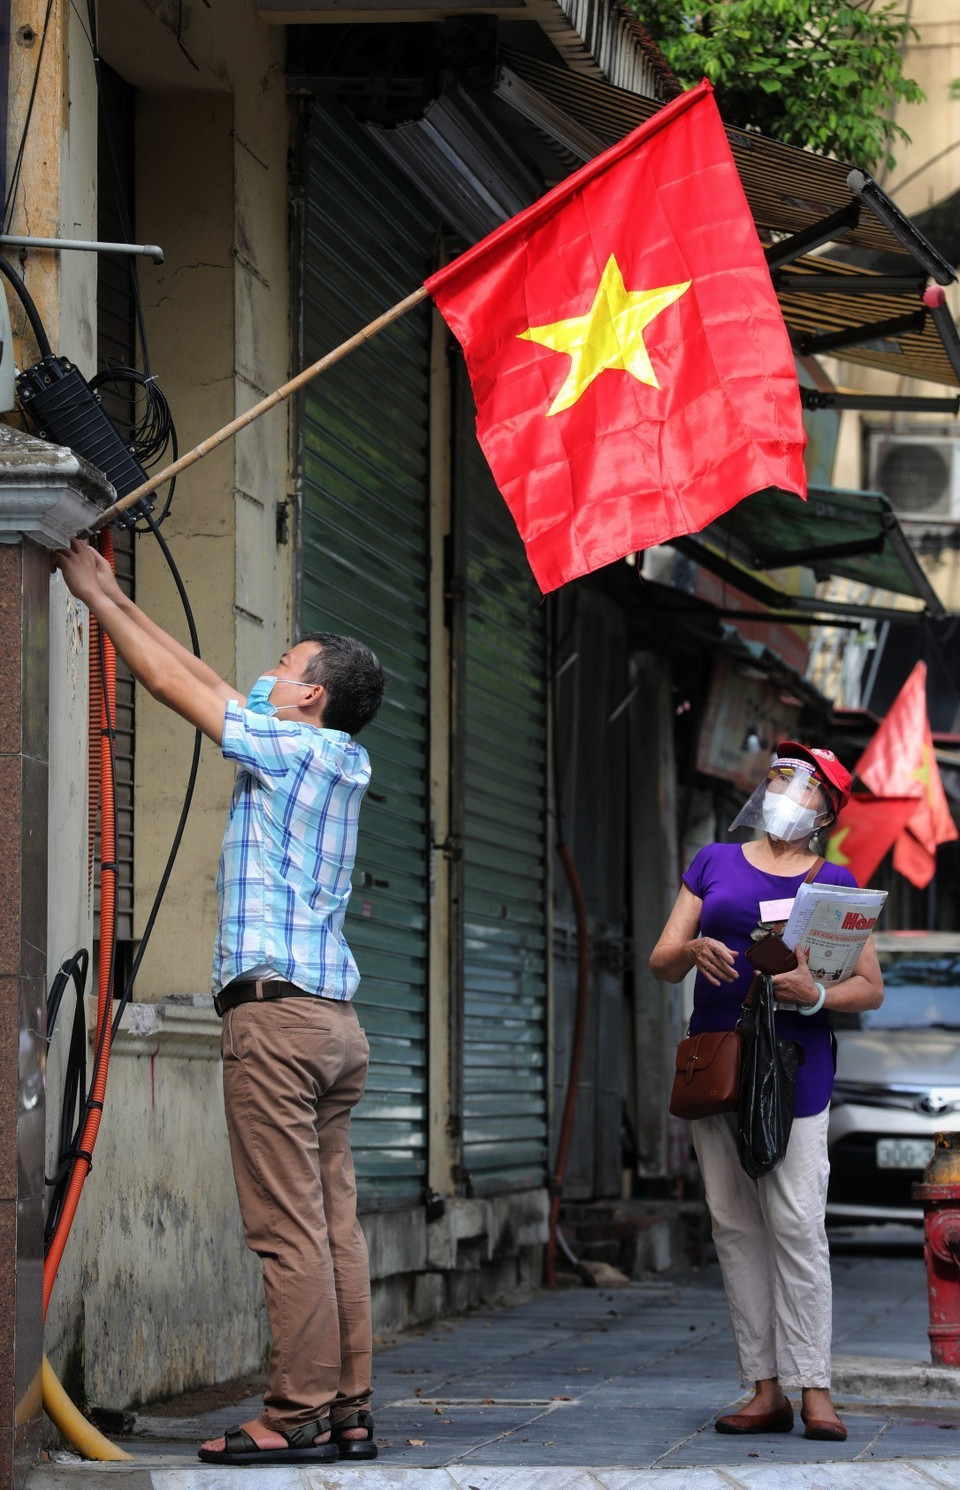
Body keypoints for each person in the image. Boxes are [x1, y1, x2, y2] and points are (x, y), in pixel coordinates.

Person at [54, 537, 385, 1467]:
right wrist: (118, 596)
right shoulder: (332, 758)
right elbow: (199, 672)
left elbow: (173, 689)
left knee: (287, 1231)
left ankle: (295, 1413)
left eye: (283, 665)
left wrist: (91, 598)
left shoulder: (294, 750)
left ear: (312, 693)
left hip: (277, 1023)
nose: (267, 672)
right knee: (331, 1226)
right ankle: (349, 1405)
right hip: (331, 1026)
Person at [650, 742, 883, 1444]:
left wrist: (816, 993)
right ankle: (764, 1388)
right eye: (781, 778)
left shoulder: (833, 878)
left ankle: (817, 1388)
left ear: (826, 812)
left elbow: (869, 987)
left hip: (795, 1065)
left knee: (797, 1226)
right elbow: (662, 959)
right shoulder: (712, 861)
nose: (788, 793)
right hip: (718, 1061)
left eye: (807, 787)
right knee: (733, 1225)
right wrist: (691, 952)